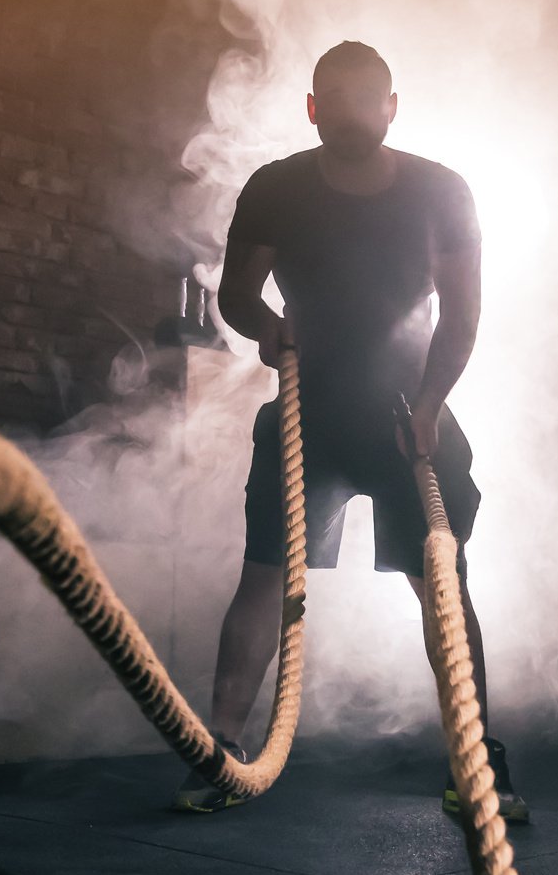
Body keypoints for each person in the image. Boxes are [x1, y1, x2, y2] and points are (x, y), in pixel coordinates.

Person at [173, 40, 527, 823]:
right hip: (308, 409)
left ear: (390, 106)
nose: (349, 108)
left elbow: (463, 316)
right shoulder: (277, 188)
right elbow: (236, 294)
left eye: (365, 95)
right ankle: (223, 749)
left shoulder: (440, 191)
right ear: (311, 107)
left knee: (441, 583)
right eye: (332, 96)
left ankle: (476, 761)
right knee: (265, 576)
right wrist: (272, 333)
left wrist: (432, 405)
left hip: (410, 410)